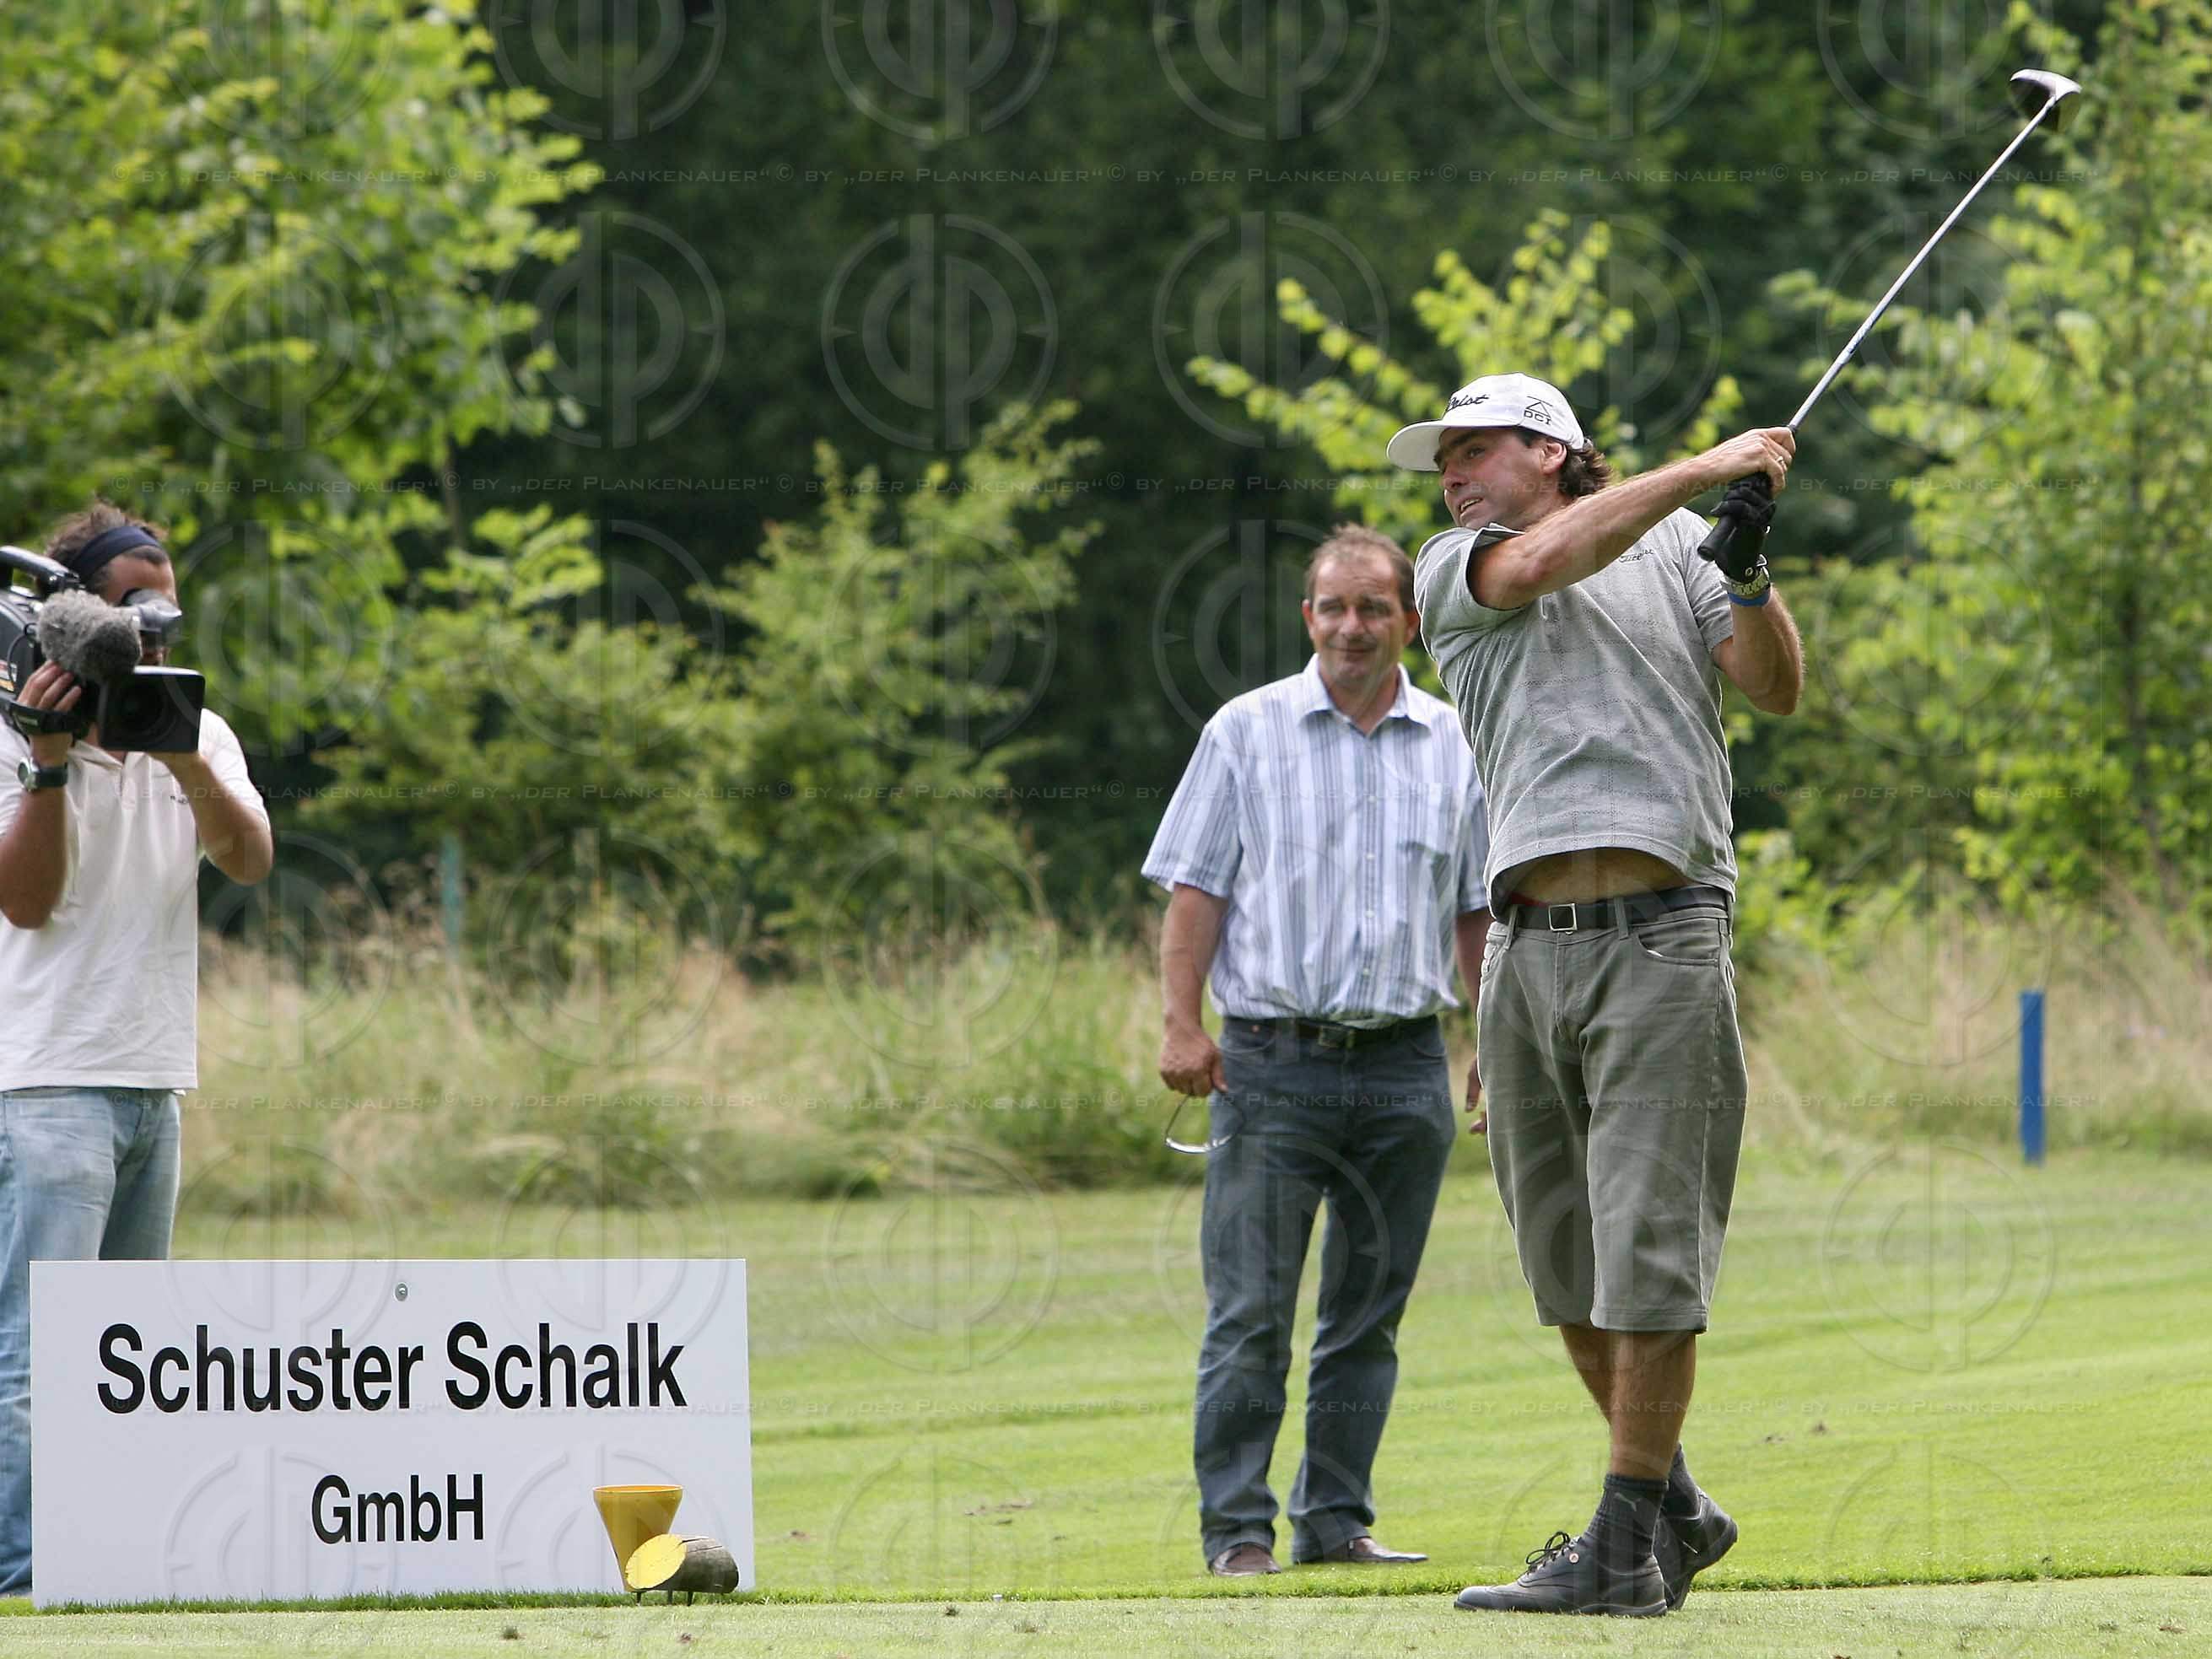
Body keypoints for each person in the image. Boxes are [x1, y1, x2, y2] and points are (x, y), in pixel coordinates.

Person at [1383, 373, 1800, 1618]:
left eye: (1473, 450)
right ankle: (1675, 1503)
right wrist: (1706, 467)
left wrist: (1746, 568)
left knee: (1648, 1253)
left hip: (1665, 933)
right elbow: (1545, 563)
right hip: (1524, 948)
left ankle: (1622, 1546)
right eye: (1443, 459)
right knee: (1563, 1263)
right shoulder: (1453, 565)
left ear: (1552, 448)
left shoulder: (1677, 548)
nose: (1451, 475)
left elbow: (1773, 685)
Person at [1145, 523, 1492, 1578]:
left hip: (1405, 1068)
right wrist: (1180, 1022)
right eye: (1333, 607)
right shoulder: (1245, 731)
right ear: (1308, 617)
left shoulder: (1457, 743)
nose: (1351, 625)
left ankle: (1336, 1521)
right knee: (1251, 1313)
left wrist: (1495, 1039)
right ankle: (1237, 1532)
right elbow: (1196, 891)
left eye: (1373, 607)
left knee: (1366, 1317)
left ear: (1410, 621)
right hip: (1269, 1064)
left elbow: (1478, 912)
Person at [0, 504, 273, 1597]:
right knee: (32, 1351)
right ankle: (23, 1573)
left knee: (125, 1356)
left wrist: (178, 748)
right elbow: (27, 902)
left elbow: (249, 858)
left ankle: (106, 1562)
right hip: (43, 1080)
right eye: (131, 603)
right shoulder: (13, 730)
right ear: (73, 613)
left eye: (165, 605)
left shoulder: (198, 727)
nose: (152, 625)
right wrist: (49, 762)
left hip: (154, 1075)